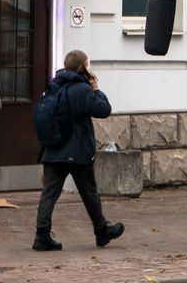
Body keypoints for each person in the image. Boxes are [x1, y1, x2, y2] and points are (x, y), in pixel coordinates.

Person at [33, 50, 123, 252]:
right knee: (89, 191)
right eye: (87, 65)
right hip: (77, 151)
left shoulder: (53, 87)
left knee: (49, 193)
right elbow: (103, 110)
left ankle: (41, 235)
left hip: (53, 150)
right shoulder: (82, 89)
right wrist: (96, 88)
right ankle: (101, 231)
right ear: (82, 68)